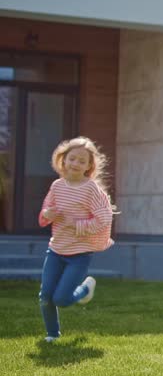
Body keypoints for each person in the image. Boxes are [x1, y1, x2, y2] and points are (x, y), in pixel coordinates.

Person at [37, 136, 115, 343]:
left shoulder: (91, 190)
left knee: (61, 299)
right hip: (55, 250)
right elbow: (44, 214)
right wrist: (47, 214)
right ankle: (52, 335)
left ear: (89, 166)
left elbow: (104, 218)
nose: (76, 164)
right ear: (63, 160)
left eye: (82, 161)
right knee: (45, 297)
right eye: (72, 159)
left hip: (79, 254)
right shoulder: (56, 186)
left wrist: (76, 224)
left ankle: (84, 290)